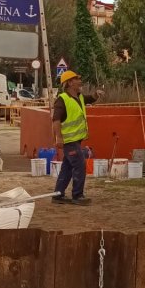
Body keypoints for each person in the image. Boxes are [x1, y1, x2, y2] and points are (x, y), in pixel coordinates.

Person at [52, 70, 103, 205]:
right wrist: (58, 138)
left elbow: (89, 98)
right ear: (69, 83)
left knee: (67, 167)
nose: (79, 81)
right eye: (76, 79)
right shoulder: (62, 99)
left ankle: (57, 195)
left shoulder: (79, 96)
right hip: (69, 141)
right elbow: (56, 120)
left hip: (76, 140)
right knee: (79, 165)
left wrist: (96, 95)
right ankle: (77, 196)